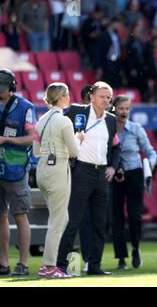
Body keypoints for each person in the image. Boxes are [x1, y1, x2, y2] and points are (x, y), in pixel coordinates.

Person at [57, 81, 121, 276]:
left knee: (100, 223)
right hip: (81, 171)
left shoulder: (111, 120)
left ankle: (94, 265)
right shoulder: (77, 111)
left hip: (101, 173)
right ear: (91, 96)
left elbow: (116, 147)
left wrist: (113, 166)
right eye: (102, 96)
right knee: (73, 220)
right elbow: (55, 122)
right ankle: (61, 264)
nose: (105, 100)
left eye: (108, 97)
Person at [33, 83, 84, 278]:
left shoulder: (41, 119)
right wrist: (78, 138)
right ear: (61, 97)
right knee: (59, 220)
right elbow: (74, 151)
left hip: (42, 169)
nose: (69, 98)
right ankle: (48, 266)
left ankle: (48, 265)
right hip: (58, 169)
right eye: (67, 94)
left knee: (58, 219)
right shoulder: (64, 121)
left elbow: (37, 151)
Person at [111, 95, 157, 270]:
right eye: (121, 108)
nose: (124, 112)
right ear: (114, 108)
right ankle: (121, 257)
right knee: (116, 217)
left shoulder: (136, 129)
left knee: (134, 215)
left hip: (135, 173)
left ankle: (136, 249)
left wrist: (149, 166)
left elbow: (151, 152)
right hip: (115, 175)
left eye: (127, 109)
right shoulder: (108, 129)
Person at [0, 69, 36, 276]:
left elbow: (32, 137)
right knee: (0, 216)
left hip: (16, 168)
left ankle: (22, 264)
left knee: (20, 215)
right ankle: (3, 263)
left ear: (12, 87)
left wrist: (6, 140)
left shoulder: (25, 108)